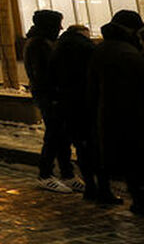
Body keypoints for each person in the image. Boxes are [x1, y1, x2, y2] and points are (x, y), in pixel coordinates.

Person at [87, 9, 144, 215]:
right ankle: (139, 199)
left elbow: (92, 86)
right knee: (136, 160)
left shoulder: (103, 49)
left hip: (110, 114)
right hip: (131, 114)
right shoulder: (127, 53)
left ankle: (137, 198)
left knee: (130, 162)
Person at [23, 9, 76, 192]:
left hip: (52, 96)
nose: (61, 27)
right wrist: (52, 96)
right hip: (49, 97)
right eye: (57, 24)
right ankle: (45, 174)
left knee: (62, 134)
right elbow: (43, 74)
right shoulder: (39, 45)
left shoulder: (46, 42)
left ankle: (67, 173)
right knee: (54, 135)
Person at [49, 24, 102, 202]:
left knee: (80, 145)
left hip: (66, 102)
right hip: (85, 102)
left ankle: (89, 185)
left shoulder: (57, 48)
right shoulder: (87, 49)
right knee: (90, 146)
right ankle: (99, 187)